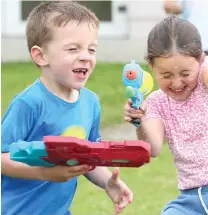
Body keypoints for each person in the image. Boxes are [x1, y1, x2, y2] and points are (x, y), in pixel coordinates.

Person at [1, 2, 133, 215]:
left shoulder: (90, 103)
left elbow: (90, 157)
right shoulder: (29, 103)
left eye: (91, 49)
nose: (85, 56)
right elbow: (2, 157)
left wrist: (108, 182)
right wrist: (45, 173)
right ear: (40, 56)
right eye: (73, 49)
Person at [124, 16, 208, 215]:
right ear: (150, 65)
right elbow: (153, 148)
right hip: (191, 200)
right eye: (166, 76)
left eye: (184, 73)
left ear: (200, 58)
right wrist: (139, 121)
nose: (177, 83)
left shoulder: (206, 74)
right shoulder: (156, 103)